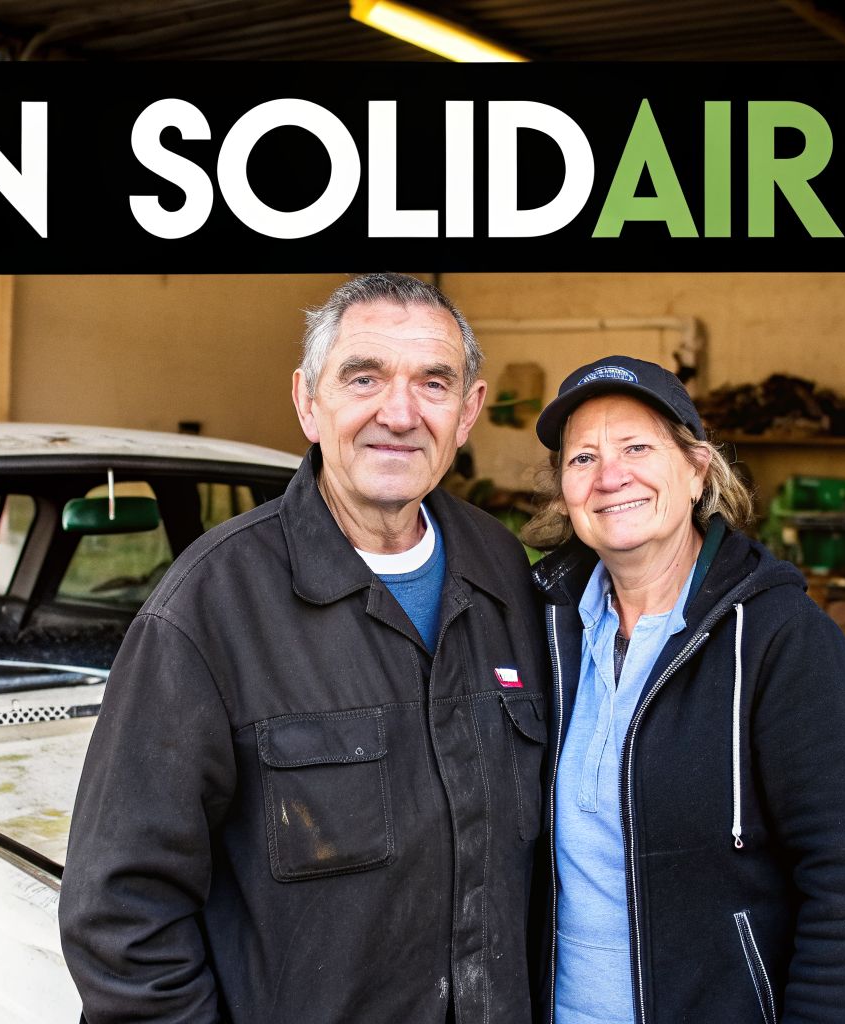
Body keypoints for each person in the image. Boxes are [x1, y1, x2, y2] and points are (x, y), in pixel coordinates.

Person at [60, 273, 549, 1023]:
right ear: (308, 402)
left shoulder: (505, 573)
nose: (400, 413)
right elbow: (121, 914)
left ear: (468, 411)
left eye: (433, 383)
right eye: (364, 378)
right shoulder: (210, 606)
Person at [522, 355, 845, 1024]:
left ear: (698, 469)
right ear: (564, 492)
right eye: (583, 458)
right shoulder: (541, 628)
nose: (610, 476)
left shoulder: (783, 639)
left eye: (637, 447)